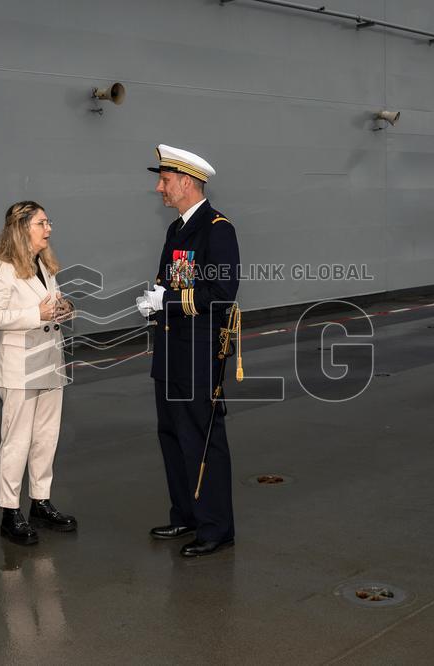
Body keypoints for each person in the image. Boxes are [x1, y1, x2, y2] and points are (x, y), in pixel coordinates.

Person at [138, 145, 240, 557]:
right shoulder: (177, 229)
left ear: (186, 182)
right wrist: (155, 300)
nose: (159, 188)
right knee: (172, 436)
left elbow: (220, 294)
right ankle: (185, 514)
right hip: (171, 350)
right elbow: (172, 282)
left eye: (164, 180)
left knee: (202, 438)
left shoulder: (217, 229)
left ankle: (216, 527)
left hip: (199, 356)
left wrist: (170, 303)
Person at [0, 201, 76, 545]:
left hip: (50, 361)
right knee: (16, 440)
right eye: (41, 223)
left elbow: (50, 304)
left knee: (45, 437)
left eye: (48, 222)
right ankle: (10, 511)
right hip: (20, 366)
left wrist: (63, 308)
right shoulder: (0, 267)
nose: (48, 228)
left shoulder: (43, 265)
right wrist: (35, 313)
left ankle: (40, 501)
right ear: (22, 228)